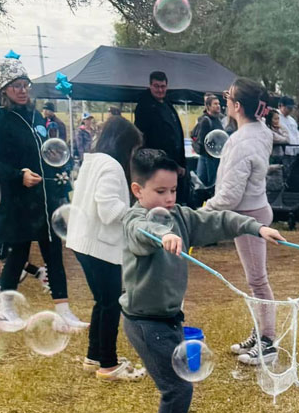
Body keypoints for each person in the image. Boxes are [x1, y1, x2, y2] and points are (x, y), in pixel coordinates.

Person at [121, 148, 283, 413]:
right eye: (160, 191)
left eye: (173, 191)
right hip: (143, 321)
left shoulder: (182, 217)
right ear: (138, 191)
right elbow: (141, 235)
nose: (168, 198)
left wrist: (256, 228)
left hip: (169, 318)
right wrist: (162, 235)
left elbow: (219, 220)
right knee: (177, 387)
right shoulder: (134, 220)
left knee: (180, 385)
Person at [0, 56, 86, 331]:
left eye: (26, 84)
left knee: (53, 252)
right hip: (14, 198)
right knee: (17, 252)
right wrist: (18, 175)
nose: (23, 90)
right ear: (3, 88)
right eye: (16, 85)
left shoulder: (34, 114)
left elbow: (47, 150)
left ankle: (64, 312)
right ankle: (5, 307)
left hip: (44, 196)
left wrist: (60, 167)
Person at [67, 116, 146, 382]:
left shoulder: (94, 160)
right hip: (100, 245)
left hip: (84, 241)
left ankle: (95, 355)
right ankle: (109, 364)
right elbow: (108, 207)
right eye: (132, 149)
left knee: (102, 301)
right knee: (112, 303)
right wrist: (136, 215)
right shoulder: (111, 166)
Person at [207, 77, 278, 366]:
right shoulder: (261, 131)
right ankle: (260, 331)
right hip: (257, 210)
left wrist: (206, 208)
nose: (224, 102)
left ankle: (268, 342)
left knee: (257, 281)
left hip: (248, 217)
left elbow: (230, 196)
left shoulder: (240, 141)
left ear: (237, 106)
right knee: (256, 281)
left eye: (228, 99)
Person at [133, 71, 189, 203]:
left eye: (163, 86)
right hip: (157, 166)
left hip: (176, 164)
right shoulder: (144, 107)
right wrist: (170, 164)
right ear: (150, 86)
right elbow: (147, 141)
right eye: (156, 86)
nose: (160, 90)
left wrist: (180, 164)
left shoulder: (168, 104)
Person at [191, 93, 223, 188]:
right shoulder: (206, 120)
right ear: (208, 106)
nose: (218, 106)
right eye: (215, 104)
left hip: (215, 158)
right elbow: (203, 142)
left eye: (218, 103)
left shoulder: (218, 119)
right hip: (208, 159)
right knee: (206, 185)